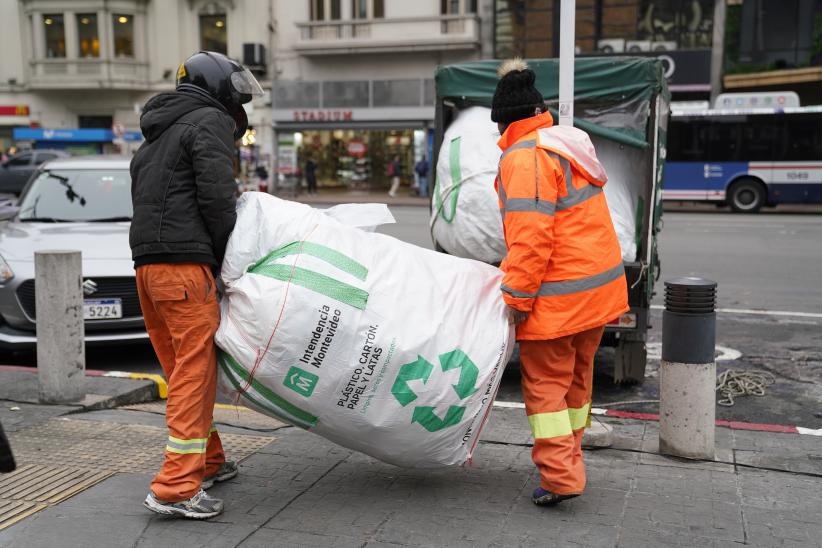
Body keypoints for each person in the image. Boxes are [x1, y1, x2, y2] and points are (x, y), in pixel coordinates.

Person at [130, 51, 264, 519]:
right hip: (186, 269)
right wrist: (231, 258)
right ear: (218, 88)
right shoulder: (207, 120)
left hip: (149, 269)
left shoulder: (156, 134)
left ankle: (207, 460)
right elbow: (216, 196)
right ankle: (175, 487)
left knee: (180, 368)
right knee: (194, 373)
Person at [491, 59, 628, 507]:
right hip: (598, 292)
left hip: (558, 299)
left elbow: (531, 236)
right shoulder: (566, 144)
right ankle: (570, 456)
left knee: (546, 386)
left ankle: (560, 477)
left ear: (505, 122)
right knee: (576, 383)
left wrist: (516, 297)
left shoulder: (524, 157)